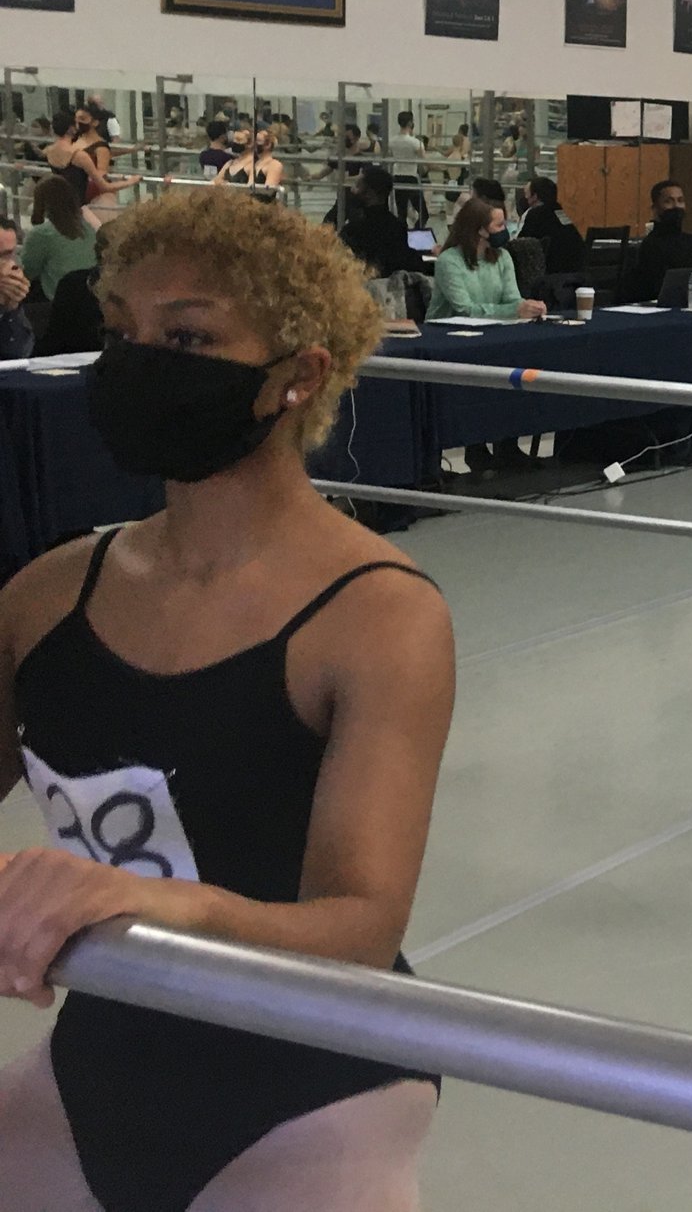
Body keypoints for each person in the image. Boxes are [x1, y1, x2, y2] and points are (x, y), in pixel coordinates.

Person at [0, 187, 454, 1209]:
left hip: (311, 1089)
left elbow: (359, 926)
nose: (140, 362)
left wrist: (156, 903)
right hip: (101, 1059)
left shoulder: (378, 614)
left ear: (299, 375)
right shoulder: (46, 593)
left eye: (188, 337)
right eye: (123, 330)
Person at [427, 198, 539, 322]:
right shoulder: (448, 261)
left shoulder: (503, 256)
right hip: (445, 329)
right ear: (480, 230)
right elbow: (465, 310)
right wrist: (515, 310)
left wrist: (529, 307)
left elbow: (512, 299)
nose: (504, 229)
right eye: (499, 225)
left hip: (493, 326)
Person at [624, 180, 692, 304]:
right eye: (669, 201)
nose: (676, 206)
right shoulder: (651, 245)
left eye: (680, 200)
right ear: (655, 208)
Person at [19, 176, 98, 303]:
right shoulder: (89, 228)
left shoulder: (41, 234)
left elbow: (27, 272)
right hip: (90, 299)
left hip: (57, 301)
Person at [338, 169, 425, 282]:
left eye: (357, 186)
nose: (352, 190)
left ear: (369, 193)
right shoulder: (398, 227)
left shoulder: (352, 231)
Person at [515, 177, 585, 277]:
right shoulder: (560, 212)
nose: (525, 198)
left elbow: (520, 244)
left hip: (551, 273)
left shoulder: (535, 215)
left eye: (527, 195)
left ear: (534, 196)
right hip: (575, 272)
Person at [213, 125, 287, 194]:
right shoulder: (233, 163)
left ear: (268, 145)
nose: (254, 144)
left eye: (258, 141)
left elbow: (267, 191)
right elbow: (215, 181)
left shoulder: (273, 165)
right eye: (234, 140)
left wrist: (229, 188)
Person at [388, 113, 427, 228]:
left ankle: (402, 235)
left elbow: (390, 156)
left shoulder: (392, 141)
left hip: (397, 177)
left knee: (402, 214)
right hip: (411, 177)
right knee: (423, 213)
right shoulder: (415, 142)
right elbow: (424, 160)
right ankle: (416, 233)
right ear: (410, 123)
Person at [0, 219, 29, 361]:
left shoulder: (9, 285)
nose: (10, 264)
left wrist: (10, 308)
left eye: (11, 254)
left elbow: (20, 352)